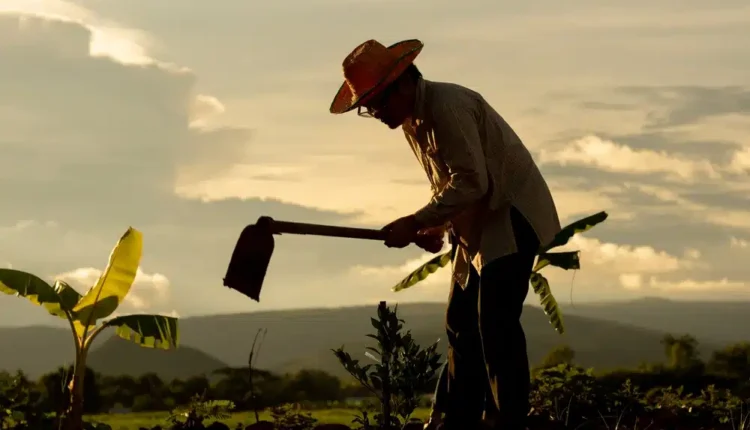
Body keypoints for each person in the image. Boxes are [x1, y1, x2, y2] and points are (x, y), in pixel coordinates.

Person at [329, 39, 562, 430]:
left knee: (495, 323)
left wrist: (416, 220)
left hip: (510, 218)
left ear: (402, 83)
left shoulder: (447, 107)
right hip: (477, 227)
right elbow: (448, 185)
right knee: (460, 321)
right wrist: (434, 225)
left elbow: (472, 182)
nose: (373, 112)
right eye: (368, 107)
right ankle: (458, 418)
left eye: (376, 103)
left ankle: (507, 420)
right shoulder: (413, 121)